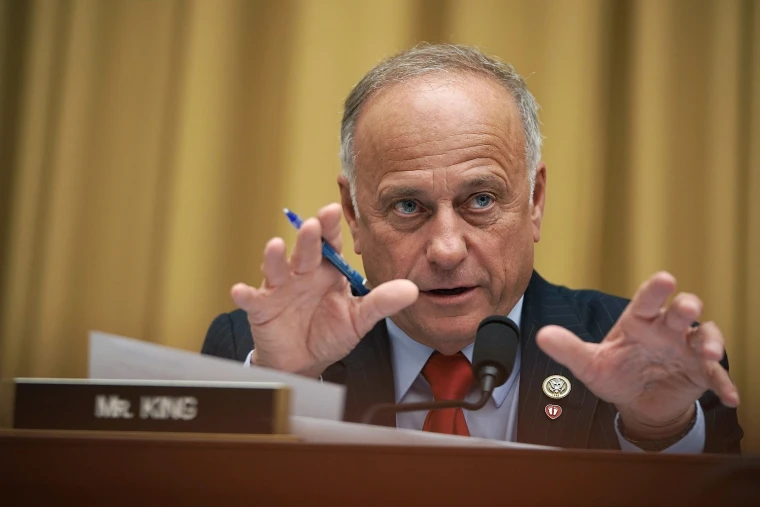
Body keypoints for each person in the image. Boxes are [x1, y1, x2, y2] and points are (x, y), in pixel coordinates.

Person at [202, 43, 742, 453]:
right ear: (354, 216)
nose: (445, 249)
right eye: (408, 206)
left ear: (534, 200)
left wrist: (658, 428)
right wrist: (286, 386)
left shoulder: (652, 358)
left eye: (480, 199)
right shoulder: (252, 353)